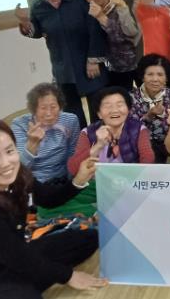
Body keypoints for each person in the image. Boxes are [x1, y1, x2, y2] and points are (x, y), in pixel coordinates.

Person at [0, 120, 106, 299]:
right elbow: (16, 256)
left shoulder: (19, 176)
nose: (6, 163)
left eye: (10, 151)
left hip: (9, 257)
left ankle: (24, 282)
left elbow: (49, 198)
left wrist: (79, 179)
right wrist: (69, 276)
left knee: (87, 238)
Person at [14, 0, 107, 128]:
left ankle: (101, 142)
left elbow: (95, 30)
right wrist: (25, 23)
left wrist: (93, 60)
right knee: (72, 113)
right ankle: (80, 143)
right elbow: (36, 32)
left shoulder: (81, 1)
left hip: (89, 63)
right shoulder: (38, 5)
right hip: (62, 66)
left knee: (99, 109)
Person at [65, 86, 155, 216]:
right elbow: (73, 169)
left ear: (128, 109)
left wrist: (132, 183)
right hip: (96, 187)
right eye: (107, 106)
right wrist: (98, 146)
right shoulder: (88, 133)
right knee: (55, 205)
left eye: (120, 105)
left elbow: (148, 160)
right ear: (99, 113)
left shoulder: (139, 129)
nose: (114, 110)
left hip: (130, 185)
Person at [78, 0, 141, 89]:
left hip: (130, 65)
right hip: (108, 68)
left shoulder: (120, 7)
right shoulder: (85, 11)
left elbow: (127, 36)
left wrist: (101, 17)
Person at [11, 83, 80, 183]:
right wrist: (32, 145)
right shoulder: (20, 124)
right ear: (34, 109)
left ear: (60, 106)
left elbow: (72, 154)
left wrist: (70, 184)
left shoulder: (70, 120)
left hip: (62, 178)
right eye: (43, 108)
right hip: (34, 182)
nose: (49, 113)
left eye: (53, 107)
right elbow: (20, 168)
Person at [129, 54, 170, 163]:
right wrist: (148, 116)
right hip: (140, 146)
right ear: (143, 76)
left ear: (166, 78)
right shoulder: (131, 97)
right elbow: (129, 129)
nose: (155, 79)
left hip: (167, 146)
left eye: (160, 75)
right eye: (150, 74)